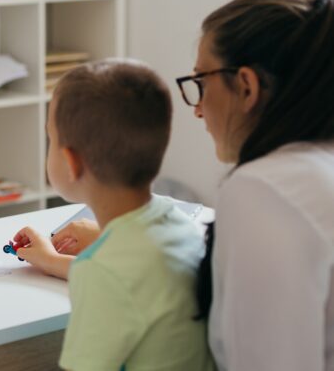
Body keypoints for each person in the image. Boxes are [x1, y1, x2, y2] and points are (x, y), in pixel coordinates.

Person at [51, 0, 334, 370]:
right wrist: (108, 242)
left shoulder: (265, 192)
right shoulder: (314, 169)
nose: (197, 110)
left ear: (247, 88)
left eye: (201, 82)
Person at [11, 59, 213, 370]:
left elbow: (109, 279)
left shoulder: (103, 275)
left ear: (72, 162)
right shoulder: (178, 225)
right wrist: (50, 260)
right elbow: (129, 277)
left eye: (50, 138)